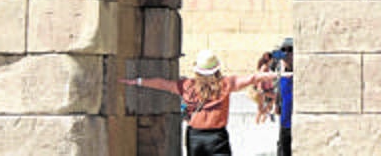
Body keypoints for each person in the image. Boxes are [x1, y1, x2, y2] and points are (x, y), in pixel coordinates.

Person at [121, 48, 276, 156]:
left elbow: (163, 84)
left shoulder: (187, 86)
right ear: (216, 69)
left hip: (195, 136)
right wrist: (277, 75)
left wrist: (138, 81)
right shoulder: (226, 84)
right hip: (217, 136)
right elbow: (253, 78)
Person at [272, 38, 294, 156]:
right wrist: (276, 104)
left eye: (290, 50)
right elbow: (278, 88)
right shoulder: (281, 69)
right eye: (284, 50)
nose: (287, 53)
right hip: (285, 119)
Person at [248, 51, 277, 124]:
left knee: (273, 100)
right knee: (260, 108)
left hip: (267, 89)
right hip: (262, 89)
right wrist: (260, 88)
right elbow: (260, 78)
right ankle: (258, 122)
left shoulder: (267, 67)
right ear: (270, 59)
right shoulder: (264, 67)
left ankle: (262, 120)